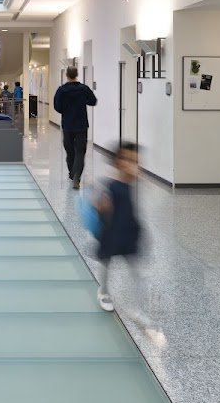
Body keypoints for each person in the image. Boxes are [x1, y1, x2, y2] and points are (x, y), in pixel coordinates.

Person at [94, 142, 150, 325]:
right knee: (106, 263)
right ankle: (103, 291)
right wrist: (99, 205)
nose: (131, 165)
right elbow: (102, 207)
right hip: (111, 232)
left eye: (135, 161)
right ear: (117, 162)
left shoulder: (132, 183)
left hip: (128, 231)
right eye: (126, 160)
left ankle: (139, 309)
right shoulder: (111, 186)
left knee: (137, 271)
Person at [53, 66, 96, 189]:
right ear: (77, 75)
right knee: (80, 151)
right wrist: (83, 101)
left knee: (70, 150)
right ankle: (76, 174)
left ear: (66, 75)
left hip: (67, 125)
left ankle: (72, 174)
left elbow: (57, 106)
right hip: (81, 125)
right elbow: (93, 101)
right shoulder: (84, 89)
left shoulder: (61, 90)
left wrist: (66, 110)